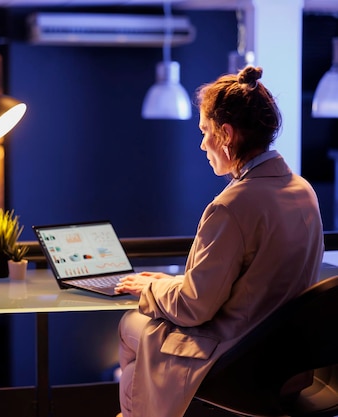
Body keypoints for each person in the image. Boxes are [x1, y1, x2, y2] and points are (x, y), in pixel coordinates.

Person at [114, 66, 324, 417]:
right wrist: (173, 283)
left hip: (240, 360)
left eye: (205, 132)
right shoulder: (303, 191)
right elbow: (253, 282)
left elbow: (195, 309)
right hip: (290, 360)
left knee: (131, 325)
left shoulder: (232, 205)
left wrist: (151, 291)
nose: (202, 144)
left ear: (226, 134)